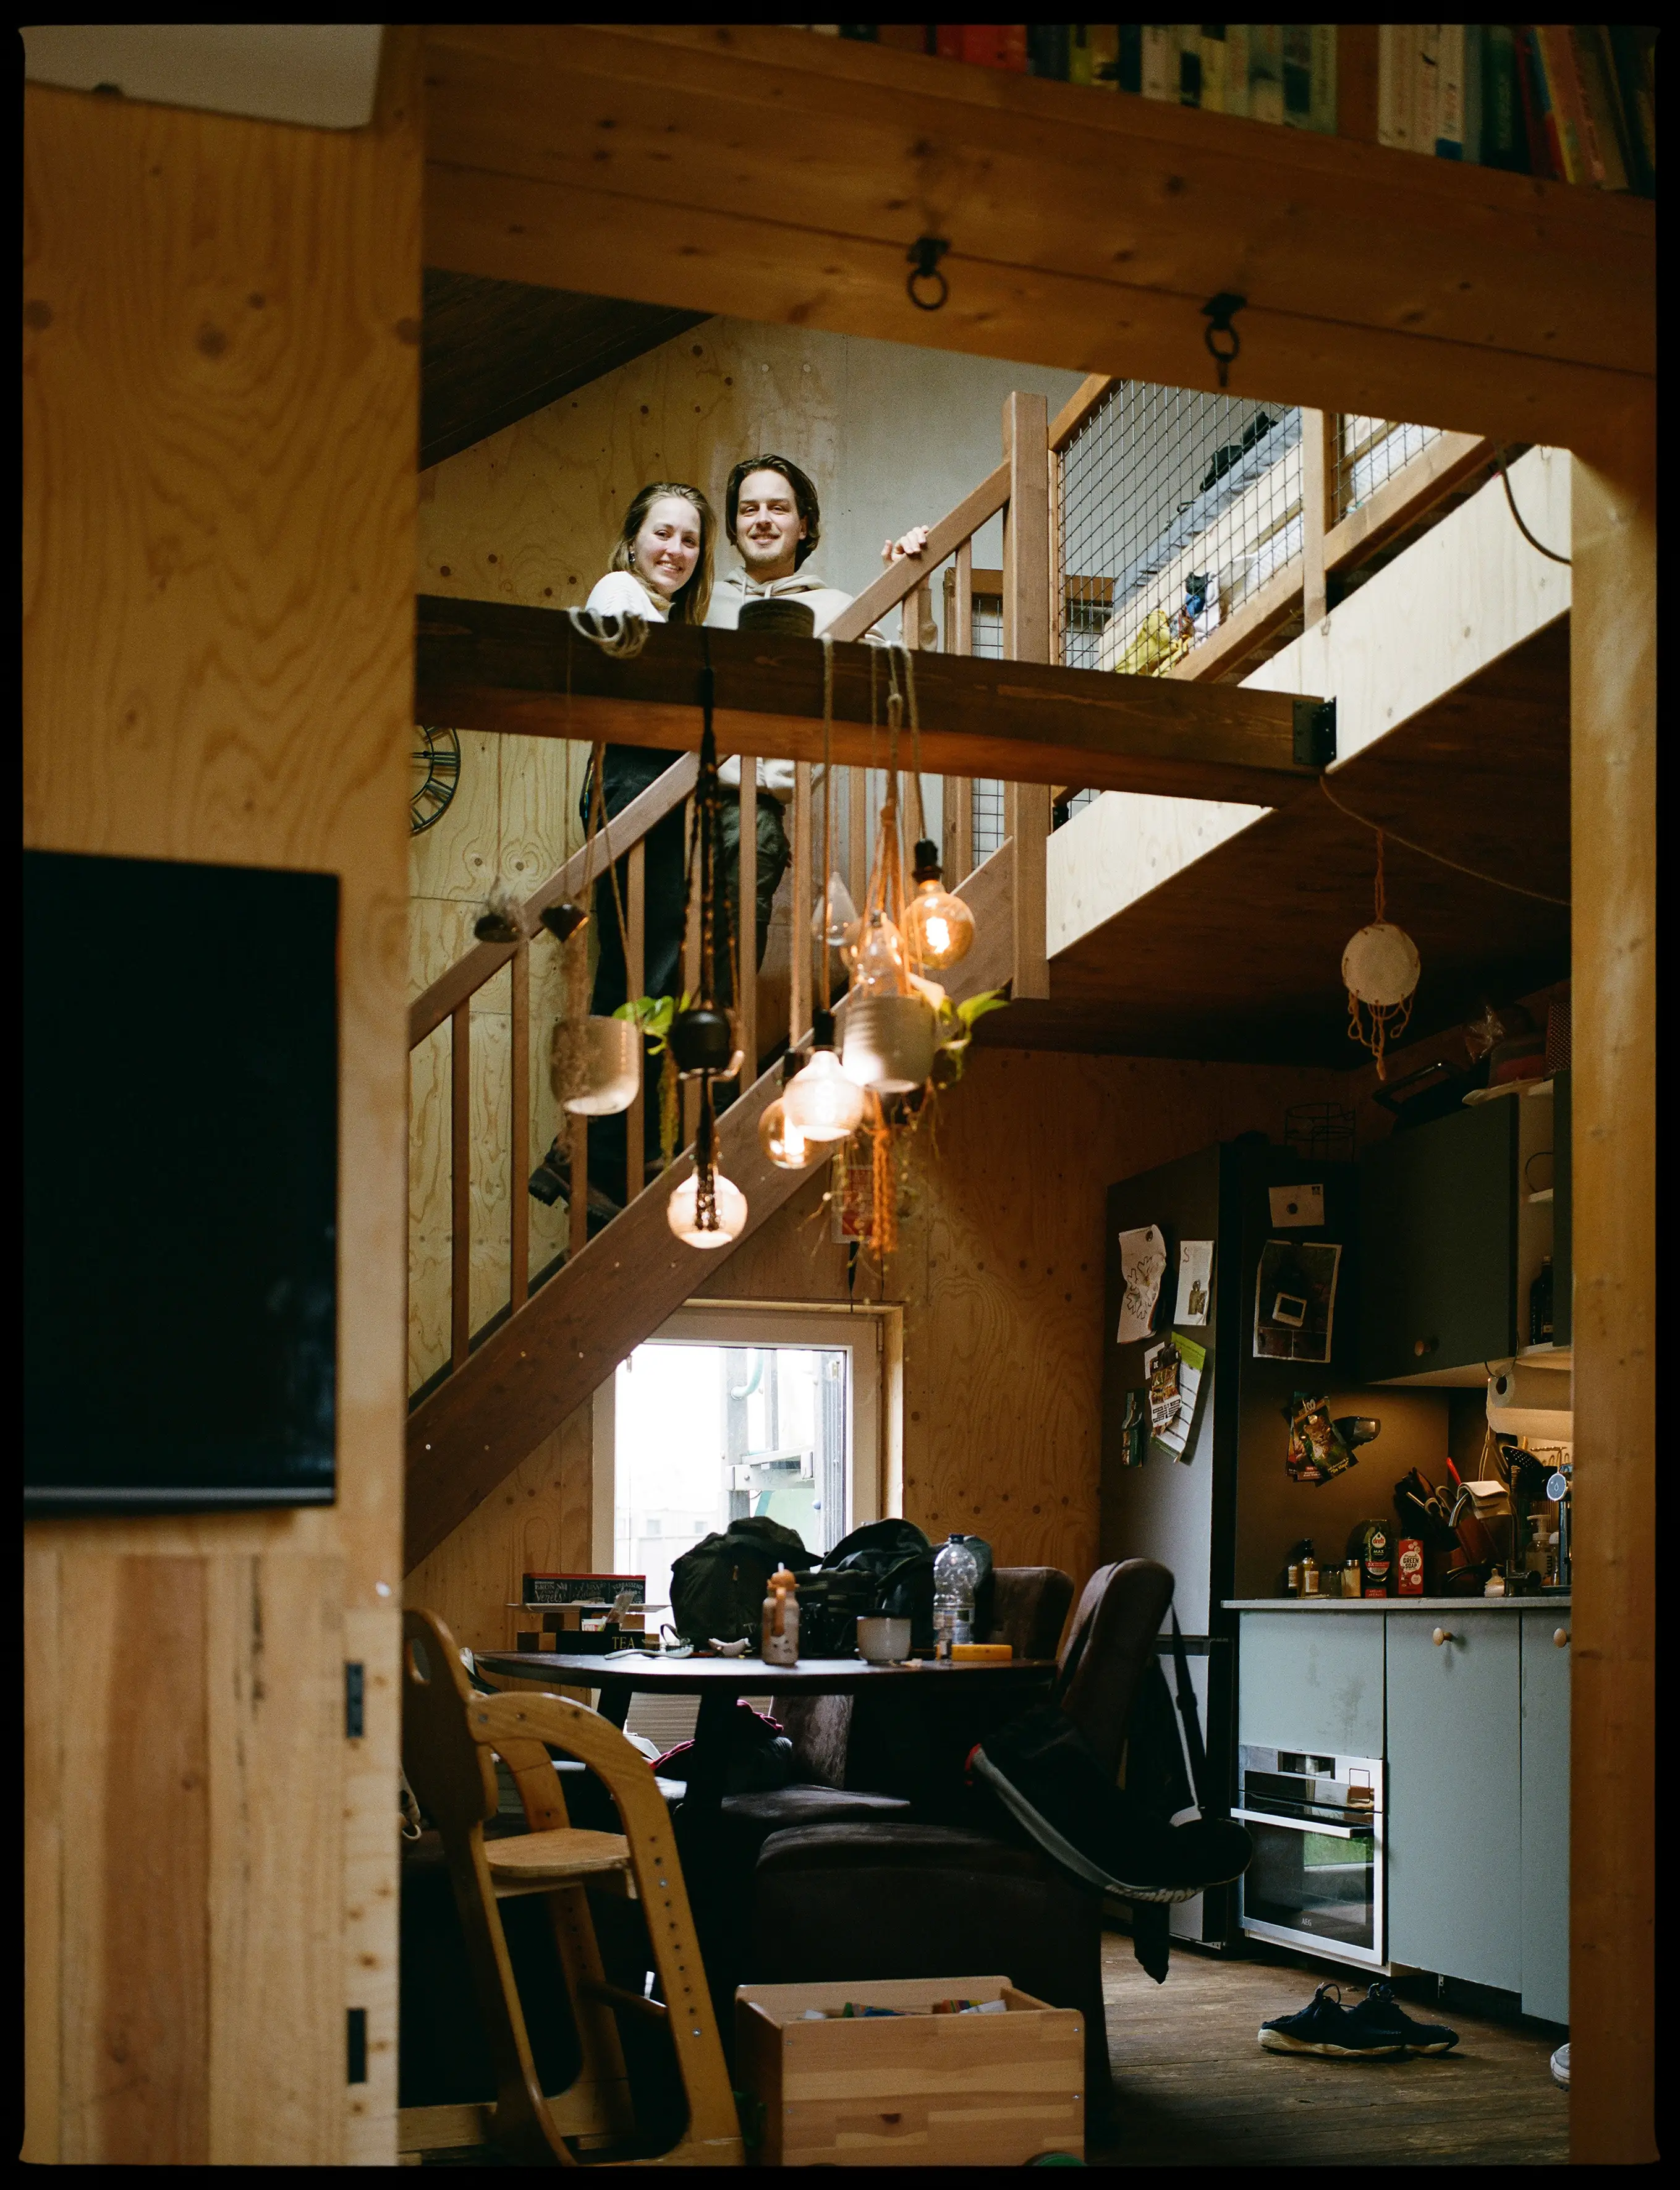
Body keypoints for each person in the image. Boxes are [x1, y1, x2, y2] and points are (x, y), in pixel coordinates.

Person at [530, 483, 715, 1218]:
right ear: (634, 539)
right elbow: (654, 694)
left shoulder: (666, 612)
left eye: (689, 541)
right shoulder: (620, 590)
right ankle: (589, 1155)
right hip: (635, 785)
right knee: (645, 970)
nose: (674, 550)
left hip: (647, 787)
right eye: (662, 534)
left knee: (642, 969)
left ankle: (588, 1154)